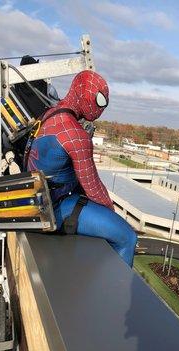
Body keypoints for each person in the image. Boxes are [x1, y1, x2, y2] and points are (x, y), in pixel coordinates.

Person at [26, 70, 137, 267]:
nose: (100, 108)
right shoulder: (75, 135)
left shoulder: (48, 115)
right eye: (101, 101)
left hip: (34, 201)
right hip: (56, 208)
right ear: (83, 94)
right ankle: (115, 293)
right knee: (127, 238)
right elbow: (95, 189)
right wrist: (111, 214)